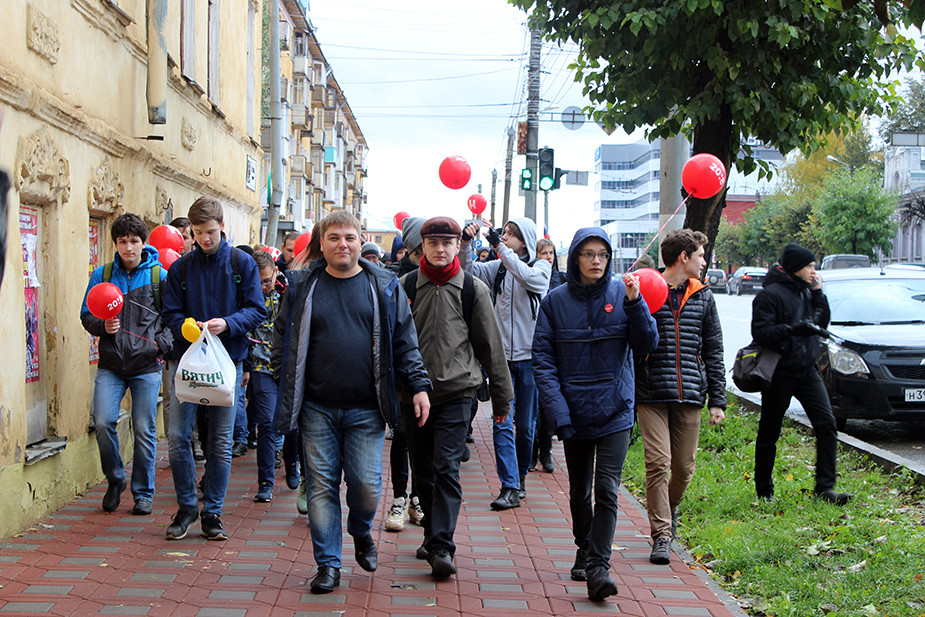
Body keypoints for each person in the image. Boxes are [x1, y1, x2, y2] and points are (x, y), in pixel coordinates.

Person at [273, 211, 431, 594]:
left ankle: (360, 531)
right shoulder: (301, 286)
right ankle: (328, 565)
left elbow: (404, 342)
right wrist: (284, 375)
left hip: (367, 408)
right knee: (322, 488)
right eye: (334, 237)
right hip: (316, 408)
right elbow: (282, 339)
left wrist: (419, 385)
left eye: (350, 237)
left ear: (361, 242)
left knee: (365, 487)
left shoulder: (384, 286)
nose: (342, 244)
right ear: (321, 243)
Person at [532, 227, 658, 601]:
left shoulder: (624, 293)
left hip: (615, 409)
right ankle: (583, 547)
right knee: (578, 491)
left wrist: (636, 304)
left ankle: (598, 566)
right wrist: (558, 412)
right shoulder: (555, 301)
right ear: (575, 258)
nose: (596, 261)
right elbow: (543, 360)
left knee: (606, 489)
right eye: (588, 254)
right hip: (574, 411)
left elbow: (646, 343)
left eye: (602, 254)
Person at [400, 216, 514, 578]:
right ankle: (433, 534)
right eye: (433, 243)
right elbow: (390, 345)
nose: (440, 249)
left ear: (455, 246)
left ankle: (442, 546)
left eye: (447, 243)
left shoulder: (472, 289)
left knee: (446, 467)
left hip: (456, 393)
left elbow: (491, 347)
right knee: (422, 472)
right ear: (423, 247)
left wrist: (502, 399)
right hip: (414, 396)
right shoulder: (405, 288)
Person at [162, 196, 265, 541]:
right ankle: (187, 506)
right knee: (178, 437)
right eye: (198, 233)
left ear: (222, 226)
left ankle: (213, 513)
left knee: (220, 442)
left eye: (210, 232)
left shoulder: (242, 263)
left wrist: (228, 323)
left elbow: (256, 309)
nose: (205, 239)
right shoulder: (181, 268)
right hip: (186, 360)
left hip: (226, 361)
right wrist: (185, 327)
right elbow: (170, 314)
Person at [634, 229, 726, 566]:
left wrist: (717, 399)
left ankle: (667, 509)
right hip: (651, 392)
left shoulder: (704, 297)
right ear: (683, 257)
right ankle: (662, 535)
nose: (704, 261)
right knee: (658, 463)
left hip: (689, 393)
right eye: (700, 255)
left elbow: (714, 350)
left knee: (684, 469)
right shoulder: (646, 289)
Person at [80, 213, 174, 516]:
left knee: (144, 428)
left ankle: (143, 493)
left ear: (143, 242)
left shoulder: (160, 276)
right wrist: (100, 326)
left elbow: (173, 318)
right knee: (105, 421)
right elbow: (86, 314)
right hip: (111, 365)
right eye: (123, 242)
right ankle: (115, 477)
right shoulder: (103, 275)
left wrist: (162, 343)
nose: (129, 248)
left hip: (146, 365)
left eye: (134, 241)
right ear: (116, 244)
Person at [460, 218, 551, 510]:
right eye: (504, 233)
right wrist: (465, 243)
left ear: (524, 240)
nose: (505, 236)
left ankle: (521, 475)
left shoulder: (540, 267)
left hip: (531, 360)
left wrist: (500, 247)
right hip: (500, 361)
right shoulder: (498, 268)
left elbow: (529, 278)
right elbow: (468, 271)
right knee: (502, 423)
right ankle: (509, 485)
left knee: (525, 427)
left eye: (511, 234)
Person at [751, 244, 851, 505]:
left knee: (827, 424)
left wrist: (819, 294)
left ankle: (825, 488)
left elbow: (821, 322)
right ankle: (764, 490)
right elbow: (761, 333)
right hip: (779, 372)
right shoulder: (769, 295)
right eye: (810, 266)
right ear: (796, 268)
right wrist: (793, 329)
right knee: (770, 431)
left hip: (807, 370)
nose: (813, 271)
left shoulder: (807, 291)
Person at [383, 216, 426, 530]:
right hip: (400, 370)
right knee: (402, 436)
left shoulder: (442, 276)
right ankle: (399, 499)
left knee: (425, 440)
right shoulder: (393, 278)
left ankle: (417, 498)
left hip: (433, 372)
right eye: (427, 242)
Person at [246, 251, 287, 503]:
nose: (263, 286)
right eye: (258, 281)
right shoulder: (248, 298)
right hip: (261, 366)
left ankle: (293, 467)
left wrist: (286, 293)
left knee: (291, 424)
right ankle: (265, 482)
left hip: (287, 366)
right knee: (267, 424)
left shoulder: (287, 292)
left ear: (275, 273)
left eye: (267, 281)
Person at [530, 237, 564, 474]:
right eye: (544, 253)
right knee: (533, 406)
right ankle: (531, 452)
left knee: (548, 405)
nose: (549, 257)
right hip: (533, 348)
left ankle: (546, 450)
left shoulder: (562, 280)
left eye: (551, 252)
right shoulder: (531, 279)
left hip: (558, 349)